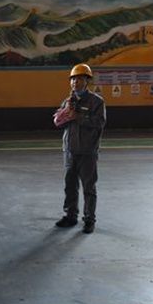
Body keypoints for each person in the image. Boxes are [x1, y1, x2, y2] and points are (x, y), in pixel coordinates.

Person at [54, 63, 106, 234]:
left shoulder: (96, 102)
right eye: (73, 79)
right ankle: (70, 215)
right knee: (70, 185)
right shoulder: (67, 101)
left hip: (87, 152)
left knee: (89, 187)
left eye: (79, 78)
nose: (75, 82)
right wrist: (62, 116)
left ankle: (89, 219)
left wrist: (79, 116)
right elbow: (61, 124)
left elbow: (99, 123)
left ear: (87, 81)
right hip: (70, 151)